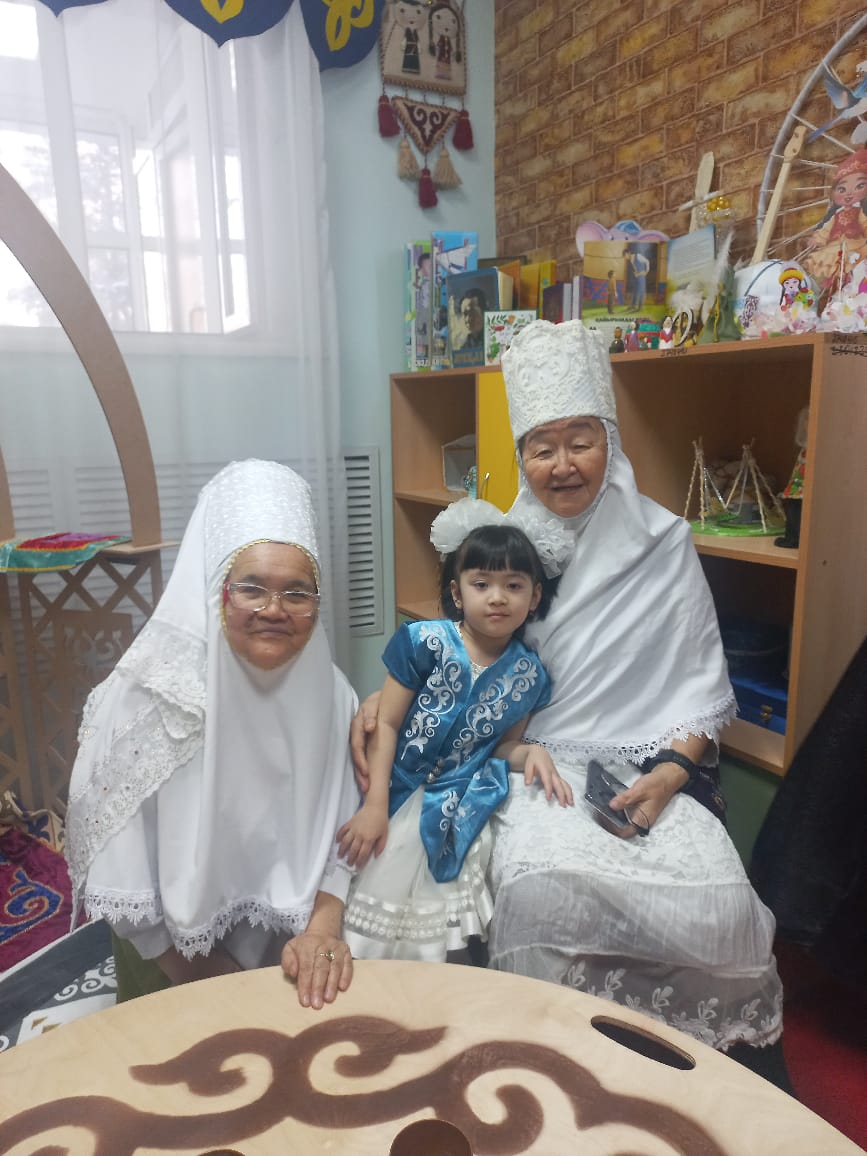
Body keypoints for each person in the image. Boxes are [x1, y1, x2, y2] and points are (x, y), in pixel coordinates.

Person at [354, 322, 785, 1064]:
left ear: (609, 442)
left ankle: (696, 1069)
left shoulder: (663, 543)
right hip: (535, 759)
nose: (561, 465)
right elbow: (458, 645)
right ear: (522, 457)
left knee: (720, 897)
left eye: (580, 441)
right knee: (540, 885)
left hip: (651, 763)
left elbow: (698, 690)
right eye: (541, 447)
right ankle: (545, 1056)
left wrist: (669, 776)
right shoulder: (507, 548)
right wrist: (385, 696)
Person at [65, 459, 360, 1010]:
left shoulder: (333, 694)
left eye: (298, 593)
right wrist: (207, 974)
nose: (274, 611)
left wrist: (321, 930)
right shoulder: (146, 700)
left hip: (294, 946)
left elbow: (346, 826)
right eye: (252, 588)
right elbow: (115, 858)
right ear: (216, 588)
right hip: (171, 957)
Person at [340, 510, 573, 962]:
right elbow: (386, 722)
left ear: (534, 596)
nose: (497, 597)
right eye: (481, 584)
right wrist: (375, 804)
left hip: (454, 805)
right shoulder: (424, 641)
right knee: (367, 911)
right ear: (457, 592)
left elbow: (503, 745)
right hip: (391, 788)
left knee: (427, 934)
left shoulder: (529, 676)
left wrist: (529, 754)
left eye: (514, 585)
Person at [802, 149, 867, 290]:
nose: (849, 194)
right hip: (835, 246)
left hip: (855, 243)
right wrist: (817, 239)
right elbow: (827, 229)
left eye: (859, 186)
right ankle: (836, 285)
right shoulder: (836, 214)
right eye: (842, 189)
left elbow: (864, 223)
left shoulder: (860, 211)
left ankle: (851, 285)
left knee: (855, 266)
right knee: (833, 267)